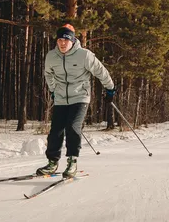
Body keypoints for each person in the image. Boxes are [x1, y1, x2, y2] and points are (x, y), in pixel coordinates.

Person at [36, 24, 116, 178]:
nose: (62, 43)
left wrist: (110, 88)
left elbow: (101, 71)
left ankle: (72, 161)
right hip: (61, 98)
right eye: (60, 39)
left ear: (72, 41)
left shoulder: (84, 55)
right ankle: (52, 162)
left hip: (80, 96)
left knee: (73, 126)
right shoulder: (51, 56)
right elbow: (48, 74)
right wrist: (53, 90)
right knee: (56, 130)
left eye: (66, 40)